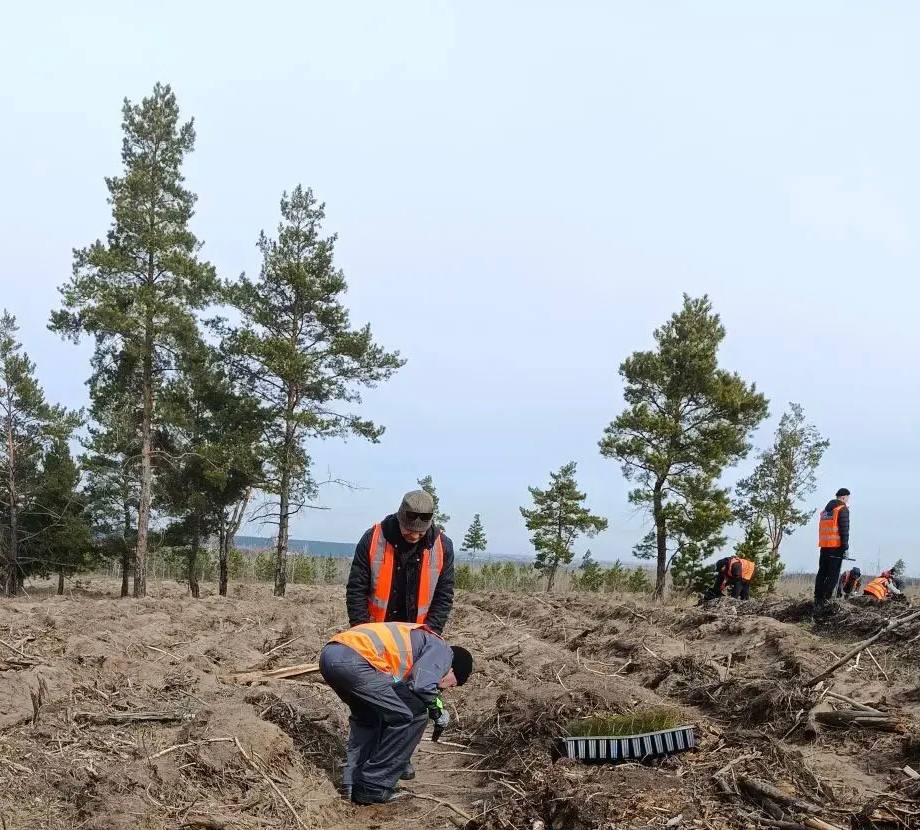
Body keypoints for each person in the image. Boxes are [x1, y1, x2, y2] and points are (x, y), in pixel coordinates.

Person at [345, 490, 456, 782]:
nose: (414, 535)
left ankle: (399, 757)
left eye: (420, 531)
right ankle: (362, 762)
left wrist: (431, 635)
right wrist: (360, 631)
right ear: (399, 516)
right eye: (409, 529)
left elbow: (444, 596)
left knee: (411, 700)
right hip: (375, 640)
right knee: (372, 700)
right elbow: (356, 588)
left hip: (415, 642)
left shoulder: (443, 546)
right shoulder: (373, 538)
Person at [319, 621, 473, 804]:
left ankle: (352, 781)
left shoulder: (419, 642)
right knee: (411, 715)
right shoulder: (443, 650)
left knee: (368, 719)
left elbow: (410, 684)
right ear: (453, 669)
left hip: (330, 656)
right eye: (454, 683)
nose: (448, 688)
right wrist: (436, 710)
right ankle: (374, 786)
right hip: (358, 662)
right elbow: (422, 685)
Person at [814, 488, 850, 605]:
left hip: (824, 547)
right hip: (836, 548)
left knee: (822, 573)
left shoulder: (825, 511)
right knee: (833, 575)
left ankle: (818, 598)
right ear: (844, 497)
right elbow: (844, 530)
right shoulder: (842, 509)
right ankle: (826, 599)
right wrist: (845, 547)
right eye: (847, 498)